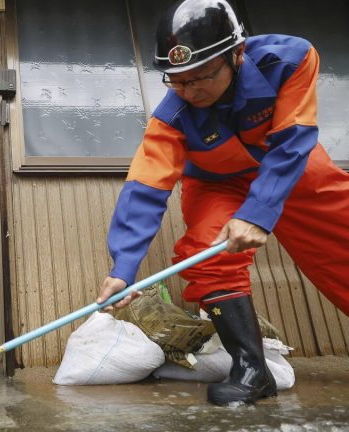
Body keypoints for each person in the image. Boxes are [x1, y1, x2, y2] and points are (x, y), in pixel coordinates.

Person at [96, 0, 349, 407]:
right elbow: (146, 187)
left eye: (200, 78)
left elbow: (294, 139)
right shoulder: (171, 116)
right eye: (176, 80)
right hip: (216, 181)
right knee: (206, 253)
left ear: (237, 54)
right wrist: (123, 268)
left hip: (288, 164)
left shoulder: (291, 58)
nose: (189, 91)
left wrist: (257, 212)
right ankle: (251, 370)